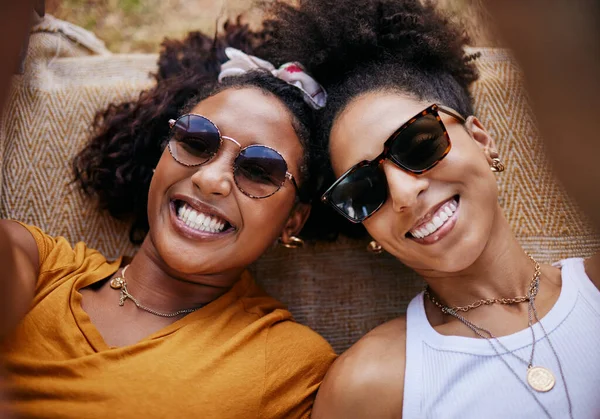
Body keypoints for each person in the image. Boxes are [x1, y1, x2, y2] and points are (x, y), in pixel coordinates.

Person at [260, 0, 600, 417]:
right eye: (364, 188)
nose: (403, 195)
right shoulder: (369, 384)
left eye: (418, 144)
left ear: (482, 139)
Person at [0, 22, 335, 418]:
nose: (211, 180)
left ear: (292, 222)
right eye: (196, 142)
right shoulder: (41, 267)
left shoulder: (290, 366)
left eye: (260, 171)